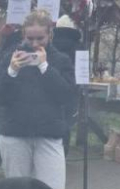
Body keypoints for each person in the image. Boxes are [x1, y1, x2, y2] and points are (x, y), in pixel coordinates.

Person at [0, 9, 75, 189]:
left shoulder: (61, 60)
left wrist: (45, 67)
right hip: (15, 134)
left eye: (40, 38)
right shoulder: (9, 58)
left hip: (48, 135)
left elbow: (66, 96)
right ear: (23, 35)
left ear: (50, 35)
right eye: (30, 39)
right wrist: (11, 72)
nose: (35, 44)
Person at [52, 15, 82, 155]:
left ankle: (52, 150)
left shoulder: (51, 44)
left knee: (53, 119)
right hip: (71, 90)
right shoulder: (79, 47)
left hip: (52, 87)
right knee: (67, 122)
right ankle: (64, 151)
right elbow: (82, 71)